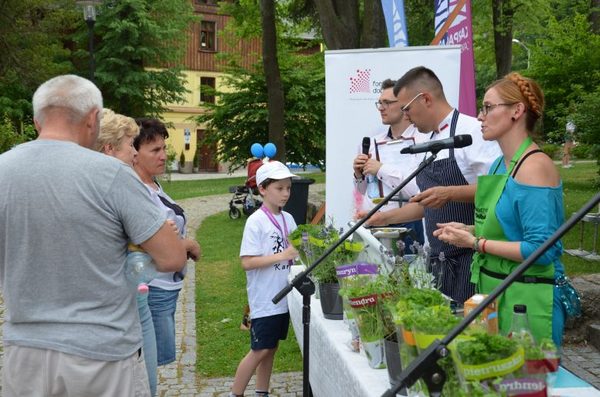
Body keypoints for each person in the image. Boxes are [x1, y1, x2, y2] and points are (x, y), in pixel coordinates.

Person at [0, 74, 194, 396]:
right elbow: (172, 257)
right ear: (93, 119)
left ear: (37, 120)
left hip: (25, 353)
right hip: (102, 355)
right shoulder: (113, 174)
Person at [433, 72, 566, 346]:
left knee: (524, 383)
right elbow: (507, 227)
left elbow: (542, 248)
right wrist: (469, 229)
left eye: (488, 107)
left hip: (526, 299)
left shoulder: (534, 167)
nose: (480, 116)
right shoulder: (499, 164)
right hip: (495, 292)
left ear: (517, 111)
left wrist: (475, 242)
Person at [359, 66, 501, 304]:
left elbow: (498, 191)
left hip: (471, 259)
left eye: (407, 108)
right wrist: (381, 218)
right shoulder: (425, 140)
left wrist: (450, 193)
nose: (406, 116)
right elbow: (428, 202)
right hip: (436, 259)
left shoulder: (473, 132)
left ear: (425, 99)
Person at [95, 108, 160, 397]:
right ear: (109, 148)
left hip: (132, 297)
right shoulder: (119, 181)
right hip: (120, 305)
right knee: (139, 382)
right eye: (131, 145)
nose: (136, 153)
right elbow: (169, 255)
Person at [133, 118, 201, 370]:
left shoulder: (153, 185)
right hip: (153, 288)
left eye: (164, 148)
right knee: (147, 364)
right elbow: (149, 243)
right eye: (155, 150)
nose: (163, 156)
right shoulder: (137, 192)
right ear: (134, 153)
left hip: (166, 287)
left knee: (153, 363)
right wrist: (188, 245)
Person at [230, 161, 299, 397]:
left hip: (284, 296)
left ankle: (262, 392)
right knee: (259, 349)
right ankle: (235, 393)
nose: (286, 193)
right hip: (265, 298)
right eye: (279, 188)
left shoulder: (288, 219)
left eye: (288, 188)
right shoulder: (255, 222)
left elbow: (294, 252)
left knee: (272, 348)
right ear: (262, 189)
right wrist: (284, 255)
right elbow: (247, 262)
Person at [352, 78, 427, 250]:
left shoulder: (423, 140)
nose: (381, 108)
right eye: (379, 103)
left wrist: (381, 169)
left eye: (387, 102)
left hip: (408, 220)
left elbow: (420, 190)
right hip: (374, 220)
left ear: (404, 104)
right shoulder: (372, 142)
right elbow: (363, 191)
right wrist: (358, 175)